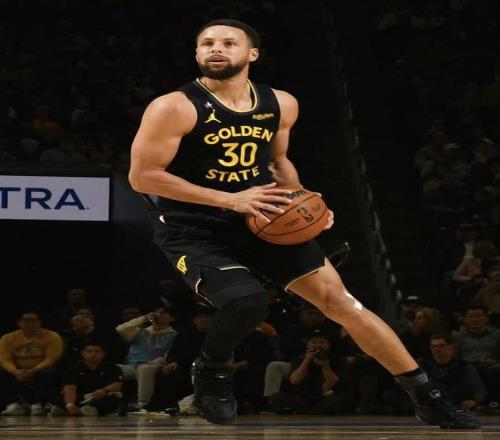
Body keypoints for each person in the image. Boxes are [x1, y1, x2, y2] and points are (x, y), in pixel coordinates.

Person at [128, 18, 479, 428]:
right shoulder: (173, 107)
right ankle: (212, 369)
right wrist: (230, 199)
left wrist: (304, 202)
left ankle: (427, 395)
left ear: (252, 54)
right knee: (247, 301)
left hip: (263, 216)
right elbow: (143, 176)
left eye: (228, 42)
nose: (216, 49)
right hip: (194, 227)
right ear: (196, 53)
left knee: (343, 303)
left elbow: (278, 162)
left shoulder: (280, 103)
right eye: (206, 43)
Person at [270, 333, 355, 415]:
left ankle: (310, 410)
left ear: (328, 345)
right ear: (308, 344)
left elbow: (334, 383)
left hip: (326, 398)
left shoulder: (337, 359)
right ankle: (316, 410)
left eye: (322, 342)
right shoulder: (299, 359)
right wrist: (306, 361)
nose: (318, 345)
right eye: (314, 342)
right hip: (304, 398)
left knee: (345, 399)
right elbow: (294, 381)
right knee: (277, 397)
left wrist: (325, 366)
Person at [0, 311, 63, 416]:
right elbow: (4, 358)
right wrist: (14, 371)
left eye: (34, 320)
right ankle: (13, 404)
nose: (30, 323)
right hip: (18, 371)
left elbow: (52, 358)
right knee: (2, 372)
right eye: (26, 320)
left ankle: (37, 404)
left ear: (40, 322)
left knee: (48, 372)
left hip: (41, 370)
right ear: (19, 323)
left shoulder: (52, 336)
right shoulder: (7, 338)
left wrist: (33, 371)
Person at [115, 307, 177, 412]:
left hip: (154, 365)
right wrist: (144, 318)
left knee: (145, 368)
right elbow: (120, 329)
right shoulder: (140, 332)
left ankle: (143, 404)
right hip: (132, 366)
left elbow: (168, 355)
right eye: (157, 313)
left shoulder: (174, 335)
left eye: (163, 313)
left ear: (171, 318)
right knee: (111, 369)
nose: (158, 315)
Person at [50, 340, 123, 416]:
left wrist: (104, 390)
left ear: (103, 354)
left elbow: (118, 384)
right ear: (82, 354)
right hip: (81, 397)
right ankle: (76, 410)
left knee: (112, 399)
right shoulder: (73, 368)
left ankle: (77, 411)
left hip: (101, 396)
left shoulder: (112, 367)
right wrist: (70, 404)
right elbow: (70, 388)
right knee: (60, 396)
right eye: (89, 351)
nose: (93, 354)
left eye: (97, 352)